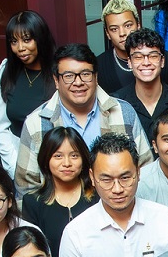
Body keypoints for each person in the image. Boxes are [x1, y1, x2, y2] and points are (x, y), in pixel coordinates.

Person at [58, 134, 168, 257]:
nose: (117, 189)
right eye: (106, 179)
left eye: (125, 178)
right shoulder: (76, 232)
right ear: (92, 177)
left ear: (138, 173)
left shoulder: (166, 220)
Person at [14, 43, 152, 194]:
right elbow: (26, 187)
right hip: (59, 213)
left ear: (96, 77)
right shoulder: (37, 122)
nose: (78, 82)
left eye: (85, 74)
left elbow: (146, 171)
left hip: (119, 208)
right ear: (56, 80)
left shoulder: (123, 112)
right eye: (68, 76)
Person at [0, 10, 59, 174]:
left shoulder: (60, 70)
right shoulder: (7, 70)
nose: (20, 48)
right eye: (14, 41)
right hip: (18, 158)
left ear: (40, 39)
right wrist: (16, 167)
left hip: (56, 160)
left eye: (27, 40)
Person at [112, 27, 168, 145]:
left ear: (162, 61)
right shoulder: (116, 104)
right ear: (129, 62)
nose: (146, 62)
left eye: (153, 56)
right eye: (138, 57)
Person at [18, 127, 97, 257]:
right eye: (58, 156)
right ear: (46, 159)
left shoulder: (98, 197)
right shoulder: (33, 202)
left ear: (83, 159)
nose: (67, 163)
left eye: (74, 155)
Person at [97, 0, 168, 93]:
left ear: (138, 26)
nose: (122, 33)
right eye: (114, 29)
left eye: (128, 25)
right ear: (107, 34)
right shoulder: (100, 66)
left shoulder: (166, 59)